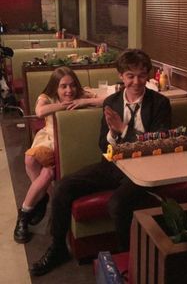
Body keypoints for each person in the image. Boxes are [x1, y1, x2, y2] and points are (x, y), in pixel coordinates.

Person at [30, 49, 171, 276]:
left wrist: (123, 129)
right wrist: (114, 134)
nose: (136, 82)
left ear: (148, 76)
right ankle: (58, 248)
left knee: (117, 204)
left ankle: (129, 262)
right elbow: (101, 145)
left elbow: (159, 143)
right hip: (112, 164)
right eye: (130, 76)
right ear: (121, 76)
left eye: (141, 76)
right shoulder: (112, 101)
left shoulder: (160, 103)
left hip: (145, 169)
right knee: (63, 186)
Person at [14, 66, 105, 244]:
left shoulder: (82, 94)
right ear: (55, 87)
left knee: (46, 173)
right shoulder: (46, 97)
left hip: (69, 141)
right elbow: (40, 111)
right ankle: (41, 198)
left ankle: (25, 214)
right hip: (48, 138)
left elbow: (108, 99)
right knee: (30, 159)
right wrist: (63, 105)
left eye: (72, 85)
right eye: (63, 86)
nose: (69, 90)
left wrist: (83, 102)